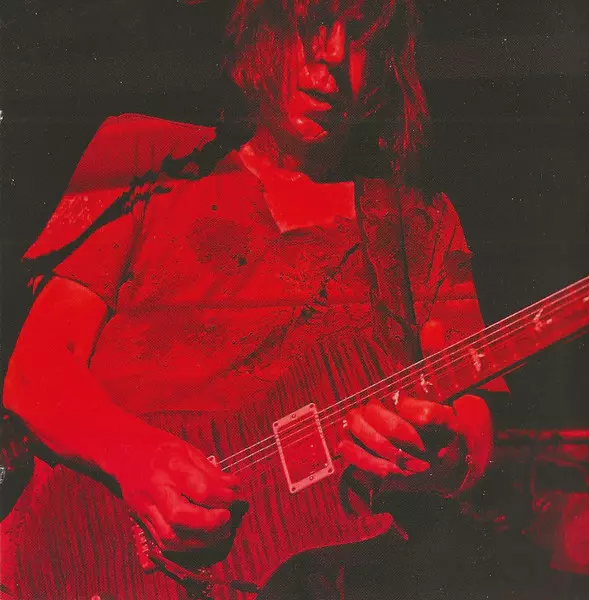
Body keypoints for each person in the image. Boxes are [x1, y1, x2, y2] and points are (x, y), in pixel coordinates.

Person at [3, 1, 509, 598]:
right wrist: (135, 459)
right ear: (257, 26)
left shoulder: (420, 221)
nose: (333, 56)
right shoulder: (143, 154)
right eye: (311, 23)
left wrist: (445, 460)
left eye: (359, 36)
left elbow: (475, 419)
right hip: (68, 565)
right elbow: (35, 372)